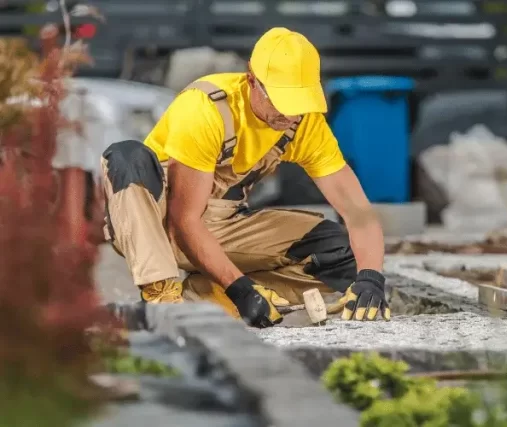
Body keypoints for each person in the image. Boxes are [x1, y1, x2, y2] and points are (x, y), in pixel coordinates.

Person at [99, 27, 390, 328]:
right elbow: (182, 221)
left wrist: (371, 278)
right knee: (125, 155)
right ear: (252, 79)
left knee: (342, 254)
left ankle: (212, 297)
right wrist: (240, 286)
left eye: (300, 103)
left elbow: (358, 213)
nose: (291, 116)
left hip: (221, 226)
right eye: (282, 101)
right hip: (159, 223)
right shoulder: (205, 108)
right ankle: (163, 299)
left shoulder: (305, 124)